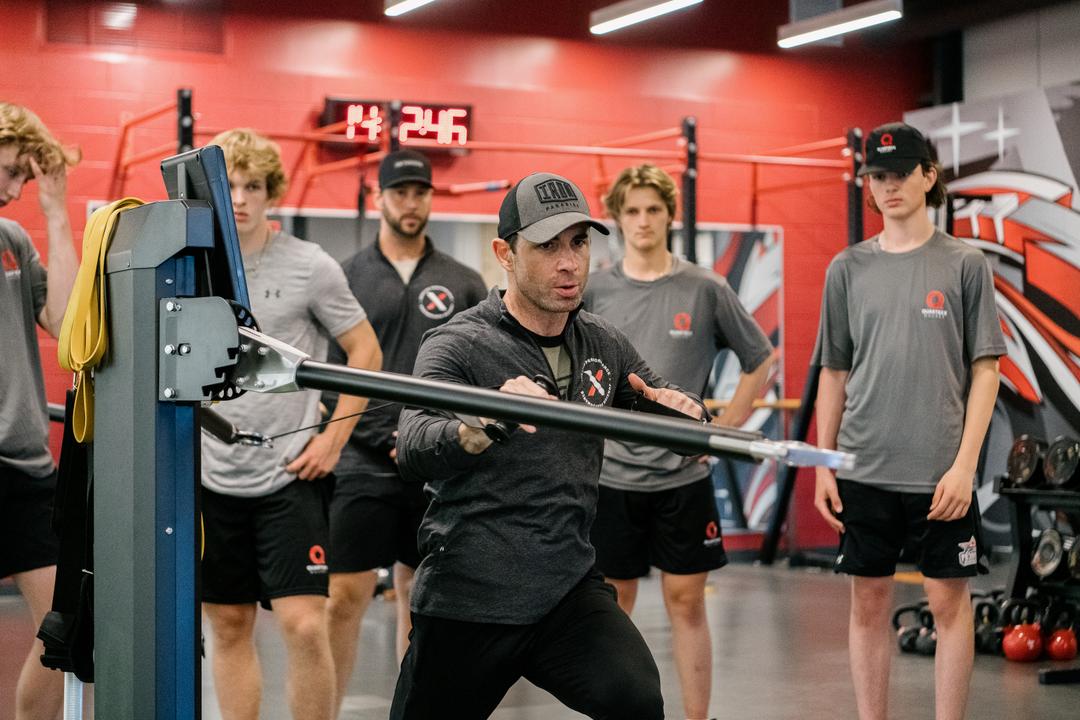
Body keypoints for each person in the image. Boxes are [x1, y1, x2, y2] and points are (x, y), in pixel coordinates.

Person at [390, 172, 707, 720]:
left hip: (566, 590)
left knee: (634, 698)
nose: (569, 262)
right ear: (505, 253)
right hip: (470, 594)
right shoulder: (459, 343)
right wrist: (473, 429)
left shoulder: (601, 340)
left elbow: (655, 397)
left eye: (579, 243)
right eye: (547, 246)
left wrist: (684, 413)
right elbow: (414, 442)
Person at [812, 122, 1004, 720]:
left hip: (940, 474)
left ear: (928, 176)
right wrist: (825, 463)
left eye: (901, 174)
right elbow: (834, 374)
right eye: (878, 177)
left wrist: (964, 467)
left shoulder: (965, 264)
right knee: (867, 604)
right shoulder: (846, 268)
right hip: (864, 467)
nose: (889, 186)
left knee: (949, 606)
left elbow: (986, 372)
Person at [199, 128, 382, 720]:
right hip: (210, 471)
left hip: (290, 473)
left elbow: (365, 352)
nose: (242, 197)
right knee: (228, 623)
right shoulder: (192, 269)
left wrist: (334, 439)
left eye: (253, 185)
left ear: (270, 191)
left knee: (304, 626)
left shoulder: (310, 265)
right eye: (230, 186)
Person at [582, 163, 774, 720]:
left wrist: (723, 430)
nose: (643, 221)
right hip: (612, 476)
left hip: (683, 480)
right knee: (611, 608)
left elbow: (760, 360)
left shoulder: (705, 287)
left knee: (687, 603)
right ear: (617, 219)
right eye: (632, 211)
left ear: (670, 215)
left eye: (653, 210)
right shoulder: (594, 289)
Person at [324, 149, 486, 714]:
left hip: (435, 463)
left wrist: (427, 437)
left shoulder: (463, 283)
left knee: (419, 597)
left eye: (420, 193)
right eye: (400, 193)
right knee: (344, 594)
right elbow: (330, 374)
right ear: (380, 199)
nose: (410, 204)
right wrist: (382, 435)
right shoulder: (346, 276)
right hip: (362, 460)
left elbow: (477, 373)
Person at [0, 101, 79, 720]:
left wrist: (55, 213)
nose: (11, 189)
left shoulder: (12, 240)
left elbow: (68, 327)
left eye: (19, 177)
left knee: (65, 630)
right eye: (3, 172)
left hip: (24, 466)